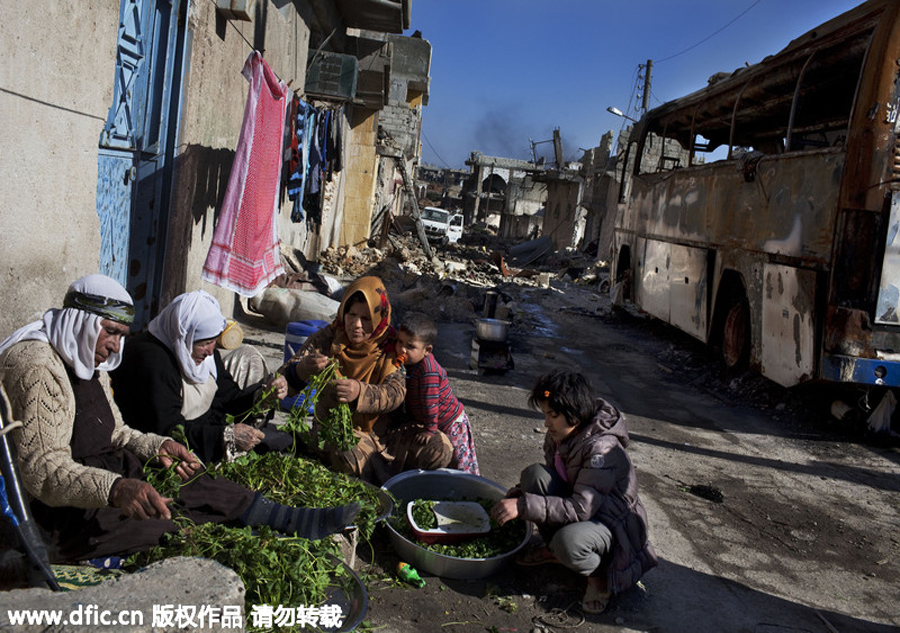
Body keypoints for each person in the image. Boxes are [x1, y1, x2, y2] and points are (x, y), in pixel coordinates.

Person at [0, 274, 359, 563]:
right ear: (82, 322)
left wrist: (160, 445)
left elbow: (119, 432)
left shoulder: (88, 355)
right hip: (60, 509)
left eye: (121, 336)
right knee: (162, 525)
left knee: (198, 482)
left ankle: (294, 519)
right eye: (110, 332)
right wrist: (115, 489)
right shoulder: (36, 367)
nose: (114, 347)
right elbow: (43, 471)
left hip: (110, 468)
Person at [490, 369, 657, 614]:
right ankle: (554, 550)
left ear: (575, 415)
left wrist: (524, 506)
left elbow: (581, 508)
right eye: (546, 414)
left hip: (611, 528)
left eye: (552, 415)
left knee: (569, 543)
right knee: (533, 476)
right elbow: (554, 476)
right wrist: (519, 495)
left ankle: (599, 579)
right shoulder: (561, 434)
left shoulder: (601, 450)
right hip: (580, 511)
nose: (546, 423)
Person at [285, 276, 451, 482]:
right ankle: (377, 474)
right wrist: (299, 370)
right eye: (351, 314)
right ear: (343, 311)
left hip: (388, 435)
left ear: (378, 317)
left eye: (365, 319)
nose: (356, 324)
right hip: (344, 431)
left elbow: (396, 391)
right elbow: (287, 375)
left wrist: (359, 392)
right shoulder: (328, 338)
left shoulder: (393, 344)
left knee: (439, 448)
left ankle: (380, 473)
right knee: (346, 454)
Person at [111, 290, 293, 464]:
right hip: (168, 449)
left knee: (283, 441)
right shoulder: (152, 361)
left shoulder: (200, 353)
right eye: (204, 344)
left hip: (201, 431)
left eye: (213, 341)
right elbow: (168, 431)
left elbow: (226, 397)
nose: (211, 352)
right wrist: (224, 437)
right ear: (183, 336)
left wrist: (263, 396)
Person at [395, 312, 480, 474]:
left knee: (458, 463)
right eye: (399, 342)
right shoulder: (411, 363)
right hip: (435, 420)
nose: (402, 349)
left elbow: (430, 402)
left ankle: (468, 489)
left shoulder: (428, 372)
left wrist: (430, 429)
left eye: (410, 346)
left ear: (427, 350)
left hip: (450, 422)